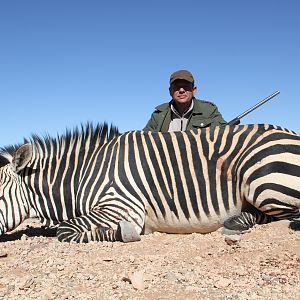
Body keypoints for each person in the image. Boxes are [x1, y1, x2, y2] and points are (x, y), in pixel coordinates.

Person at [143, 70, 226, 132]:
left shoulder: (209, 110)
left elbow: (223, 134)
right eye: (176, 87)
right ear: (170, 91)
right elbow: (144, 138)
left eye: (186, 86)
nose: (182, 90)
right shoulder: (158, 114)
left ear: (194, 90)